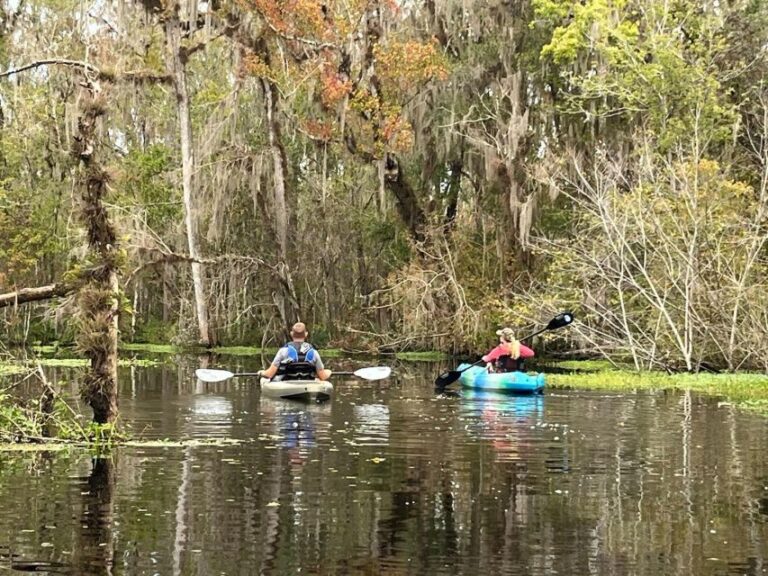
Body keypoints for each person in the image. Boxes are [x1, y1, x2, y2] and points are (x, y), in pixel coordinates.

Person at [257, 322, 332, 381]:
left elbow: (269, 374)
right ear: (306, 334)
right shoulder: (314, 353)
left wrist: (261, 372)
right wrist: (329, 372)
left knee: (266, 379)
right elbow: (323, 376)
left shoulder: (283, 351)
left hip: (287, 382)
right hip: (307, 382)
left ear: (291, 334)